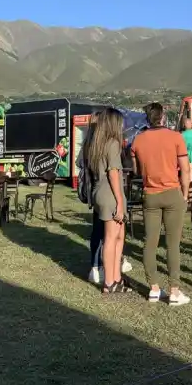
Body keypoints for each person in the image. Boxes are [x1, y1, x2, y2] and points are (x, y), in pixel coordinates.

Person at [131, 103, 191, 306]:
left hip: (150, 194)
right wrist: (184, 194)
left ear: (147, 119)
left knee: (150, 242)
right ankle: (174, 290)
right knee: (172, 243)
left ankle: (154, 288)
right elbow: (185, 169)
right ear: (163, 117)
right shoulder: (176, 138)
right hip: (172, 192)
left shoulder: (138, 140)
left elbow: (138, 171)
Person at [78, 113, 132, 285]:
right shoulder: (112, 144)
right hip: (110, 194)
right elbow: (114, 173)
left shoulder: (93, 143)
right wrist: (120, 202)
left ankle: (113, 276)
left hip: (97, 191)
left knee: (110, 235)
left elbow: (81, 163)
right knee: (111, 237)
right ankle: (110, 280)